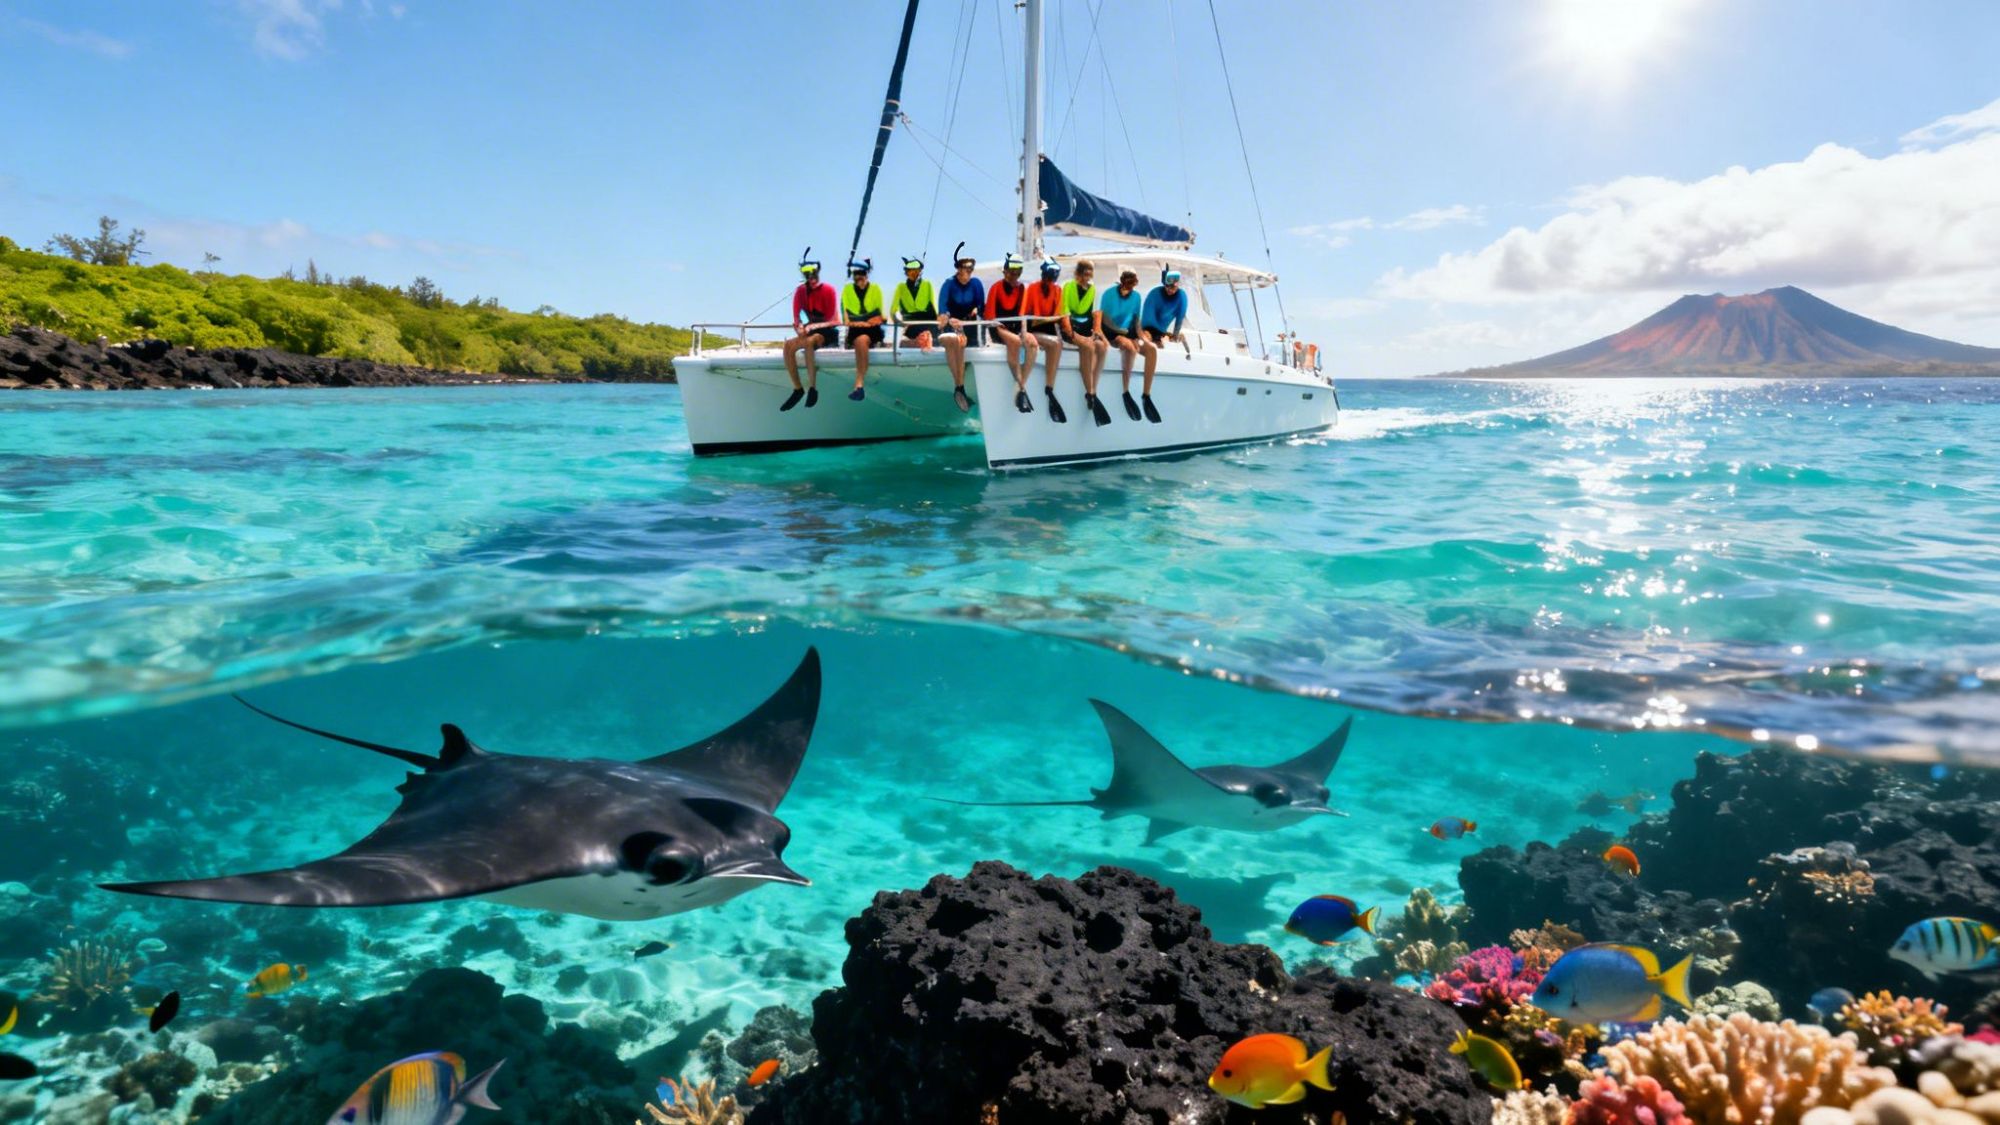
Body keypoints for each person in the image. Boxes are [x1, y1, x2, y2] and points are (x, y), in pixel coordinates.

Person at [780, 254, 838, 411]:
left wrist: (811, 327)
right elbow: (796, 317)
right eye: (806, 274)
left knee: (809, 342)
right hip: (808, 330)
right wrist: (799, 328)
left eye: (812, 273)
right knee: (788, 345)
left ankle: (812, 387)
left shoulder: (828, 290)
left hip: (827, 332)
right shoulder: (800, 292)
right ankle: (798, 389)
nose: (809, 277)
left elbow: (834, 320)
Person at [1099, 268, 1157, 422]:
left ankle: (1146, 395)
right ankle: (1125, 391)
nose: (1129, 288)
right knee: (1129, 347)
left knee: (1151, 349)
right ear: (1122, 281)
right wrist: (1120, 332)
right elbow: (1105, 320)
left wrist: (1143, 338)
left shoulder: (1137, 297)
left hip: (1128, 332)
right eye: (1127, 284)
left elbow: (1137, 321)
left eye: (1132, 284)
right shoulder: (1109, 294)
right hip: (1112, 333)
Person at [1060, 259, 1111, 425]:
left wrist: (1097, 332)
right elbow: (1065, 313)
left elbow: (1096, 313)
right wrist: (1073, 334)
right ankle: (1089, 392)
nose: (1086, 278)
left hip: (1086, 328)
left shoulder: (1093, 289)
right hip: (1071, 329)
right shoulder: (1068, 286)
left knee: (1102, 347)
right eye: (1084, 274)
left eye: (1089, 275)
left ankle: (1093, 389)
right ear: (1078, 274)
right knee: (1088, 346)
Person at [1138, 269, 1190, 422]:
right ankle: (1146, 394)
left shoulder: (1181, 297)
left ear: (1177, 285)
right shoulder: (1155, 294)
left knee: (1167, 344)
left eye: (1172, 287)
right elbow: (1147, 320)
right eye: (1166, 287)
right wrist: (1155, 338)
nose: (1169, 290)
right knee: (1152, 345)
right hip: (1148, 328)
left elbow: (1179, 318)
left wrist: (1174, 334)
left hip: (1161, 331)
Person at [937, 243, 983, 413]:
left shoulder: (976, 284)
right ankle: (960, 386)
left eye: (971, 269)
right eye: (964, 268)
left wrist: (976, 310)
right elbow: (942, 309)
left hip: (969, 326)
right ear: (958, 268)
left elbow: (981, 306)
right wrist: (949, 318)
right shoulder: (948, 284)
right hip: (952, 325)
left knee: (961, 341)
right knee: (952, 340)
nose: (967, 273)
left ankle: (959, 388)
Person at [984, 253, 1032, 411]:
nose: (1014, 276)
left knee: (1032, 343)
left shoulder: (1022, 289)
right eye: (1011, 272)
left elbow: (1023, 315)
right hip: (998, 328)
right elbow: (990, 316)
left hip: (1016, 328)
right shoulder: (996, 287)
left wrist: (1024, 332)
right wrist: (1003, 330)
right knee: (1016, 342)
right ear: (1004, 271)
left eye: (1018, 273)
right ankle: (1021, 388)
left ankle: (1023, 383)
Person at [1021, 258, 1067, 421]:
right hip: (1034, 329)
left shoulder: (1057, 290)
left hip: (1047, 328)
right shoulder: (1032, 288)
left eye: (1052, 278)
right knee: (1055, 343)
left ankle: (1049, 387)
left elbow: (1057, 315)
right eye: (1048, 277)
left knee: (1057, 343)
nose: (1050, 281)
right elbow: (1027, 316)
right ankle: (1033, 387)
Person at [841, 260, 886, 400]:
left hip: (873, 330)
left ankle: (859, 384)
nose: (859, 277)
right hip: (855, 329)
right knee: (860, 340)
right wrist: (861, 321)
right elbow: (846, 318)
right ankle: (859, 385)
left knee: (862, 341)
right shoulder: (847, 290)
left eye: (862, 273)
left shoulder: (876, 289)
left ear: (867, 274)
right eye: (856, 274)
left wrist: (865, 321)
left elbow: (880, 316)